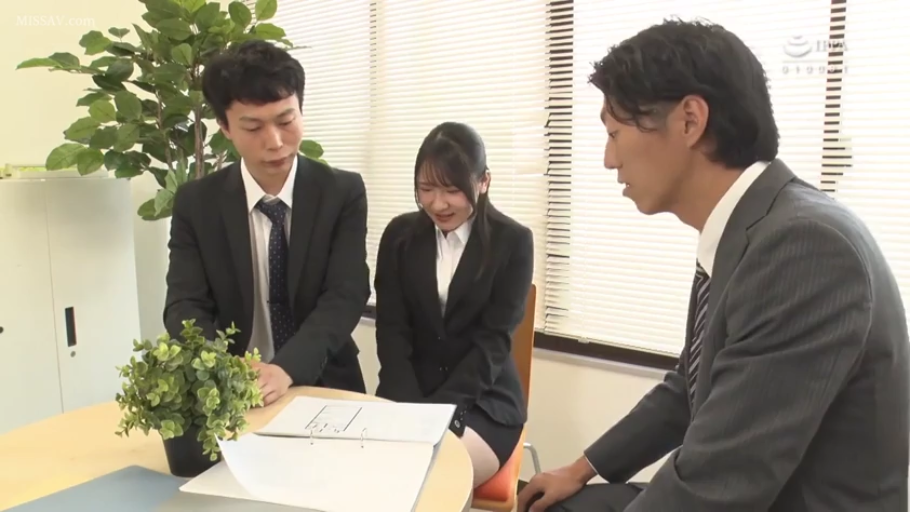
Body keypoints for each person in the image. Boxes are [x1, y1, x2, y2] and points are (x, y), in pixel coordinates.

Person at [517, 18, 909, 512]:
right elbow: (690, 385)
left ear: (689, 121)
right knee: (552, 504)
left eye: (615, 133)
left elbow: (719, 483)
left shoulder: (804, 247)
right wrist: (580, 468)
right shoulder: (752, 226)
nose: (608, 159)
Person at [163, 40, 371, 405]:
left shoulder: (341, 192)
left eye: (286, 121)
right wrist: (224, 368)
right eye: (253, 127)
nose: (274, 142)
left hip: (322, 379)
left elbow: (345, 295)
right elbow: (185, 305)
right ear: (225, 127)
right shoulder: (197, 203)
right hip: (229, 388)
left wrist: (286, 368)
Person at [373, 121, 532, 487]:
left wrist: (436, 414)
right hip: (407, 393)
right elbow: (391, 331)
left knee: (427, 475)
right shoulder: (399, 236)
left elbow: (493, 342)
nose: (438, 203)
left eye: (452, 190)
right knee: (370, 472)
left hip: (482, 400)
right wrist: (410, 409)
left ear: (483, 181)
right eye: (426, 189)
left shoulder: (513, 242)